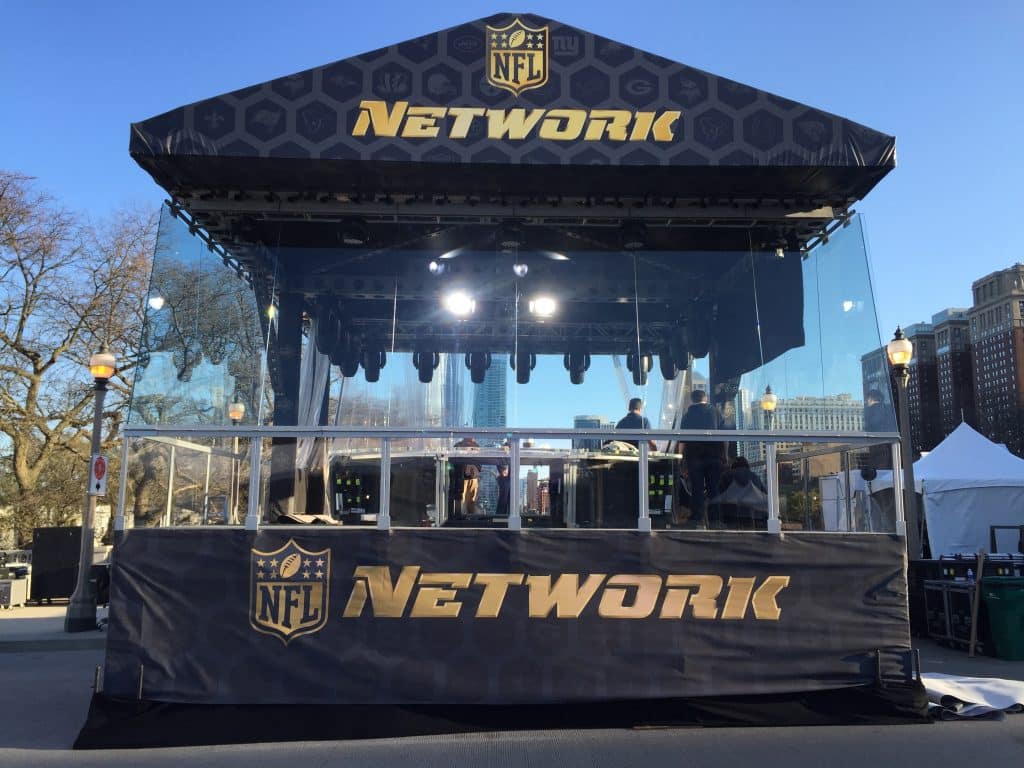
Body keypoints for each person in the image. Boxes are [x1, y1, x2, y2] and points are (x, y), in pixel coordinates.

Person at [680, 390, 726, 528]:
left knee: (697, 489)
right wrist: (724, 454)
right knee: (714, 489)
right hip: (714, 456)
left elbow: (682, 440)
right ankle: (715, 521)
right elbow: (725, 437)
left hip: (694, 457)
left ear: (692, 400)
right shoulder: (716, 412)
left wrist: (680, 458)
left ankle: (696, 520)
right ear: (705, 398)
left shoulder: (687, 416)